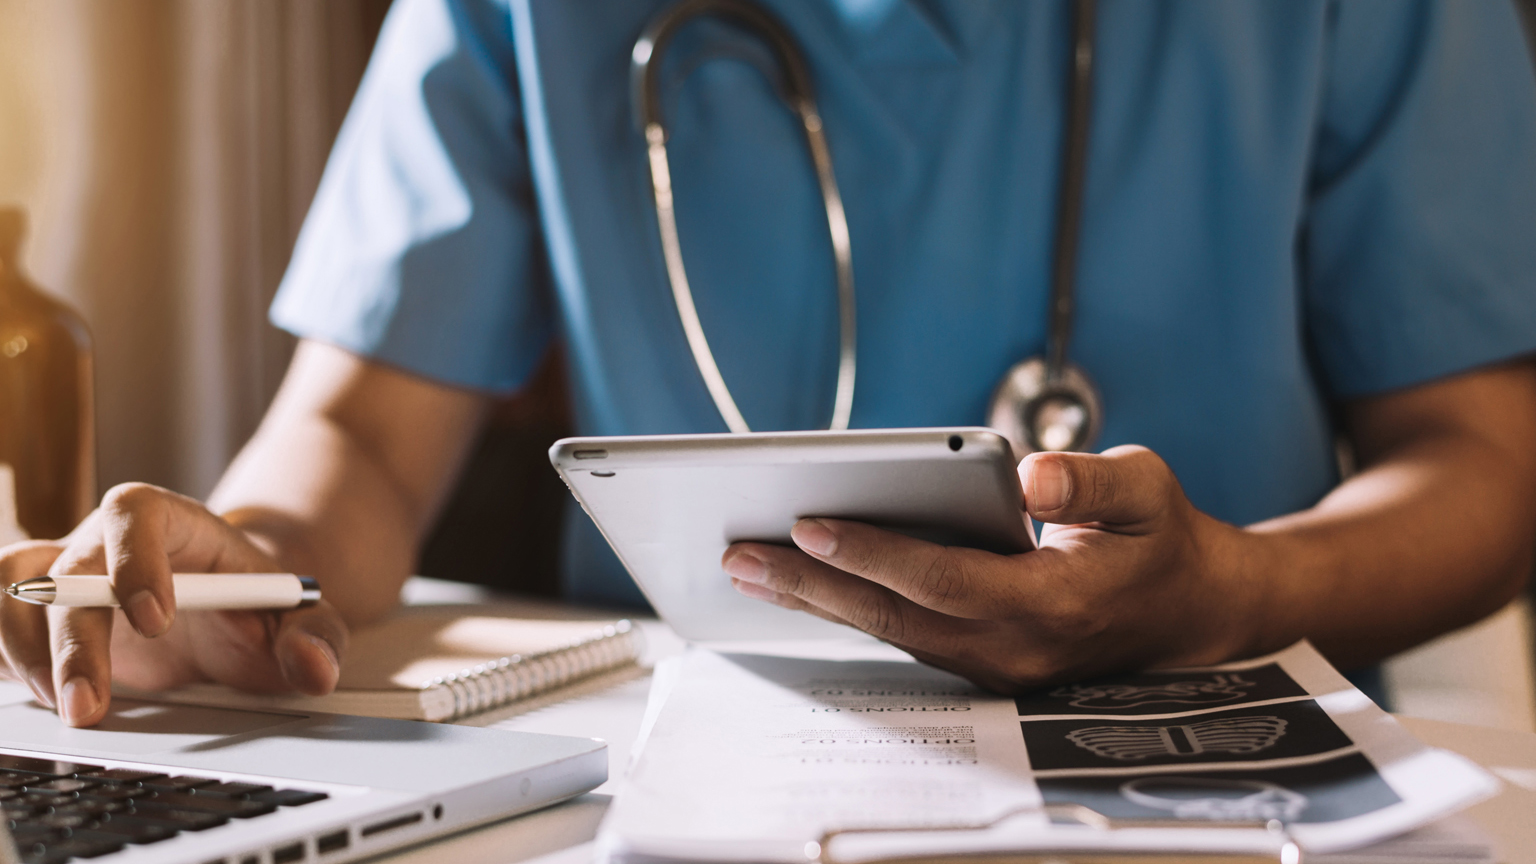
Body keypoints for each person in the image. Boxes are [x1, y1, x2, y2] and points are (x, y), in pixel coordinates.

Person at [3, 0, 1536, 728]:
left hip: (1208, 752)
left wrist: (1236, 594)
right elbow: (358, 436)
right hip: (684, 768)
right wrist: (233, 580)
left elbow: (1491, 463)